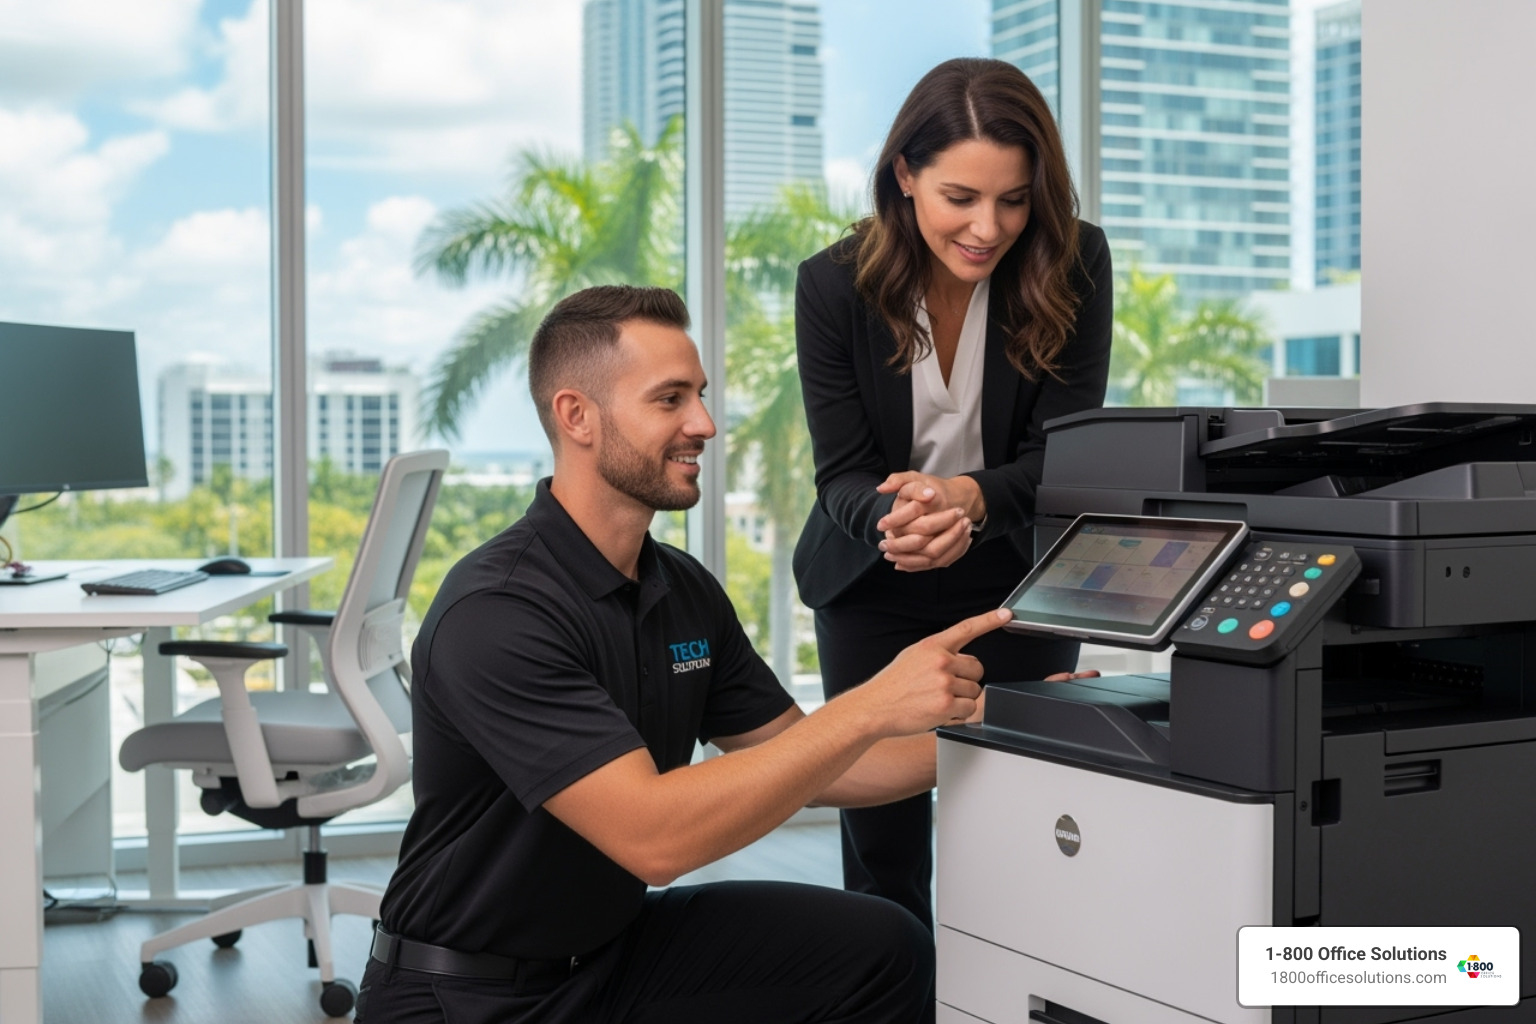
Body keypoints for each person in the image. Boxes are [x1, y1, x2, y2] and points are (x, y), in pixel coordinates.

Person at [356, 284, 1038, 1024]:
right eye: (670, 399)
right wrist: (874, 705)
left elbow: (807, 760)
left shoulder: (680, 588)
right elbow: (655, 838)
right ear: (576, 416)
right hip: (468, 996)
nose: (704, 425)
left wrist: (1027, 734)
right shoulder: (499, 611)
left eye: (701, 396)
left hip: (613, 956)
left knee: (883, 946)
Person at [794, 57, 1114, 932]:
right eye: (960, 197)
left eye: (1013, 199)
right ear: (904, 176)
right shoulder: (833, 283)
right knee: (885, 857)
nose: (988, 227)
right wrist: (902, 519)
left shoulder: (1074, 260)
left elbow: (1066, 457)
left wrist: (968, 499)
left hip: (1016, 581)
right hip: (872, 579)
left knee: (1034, 832)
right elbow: (842, 473)